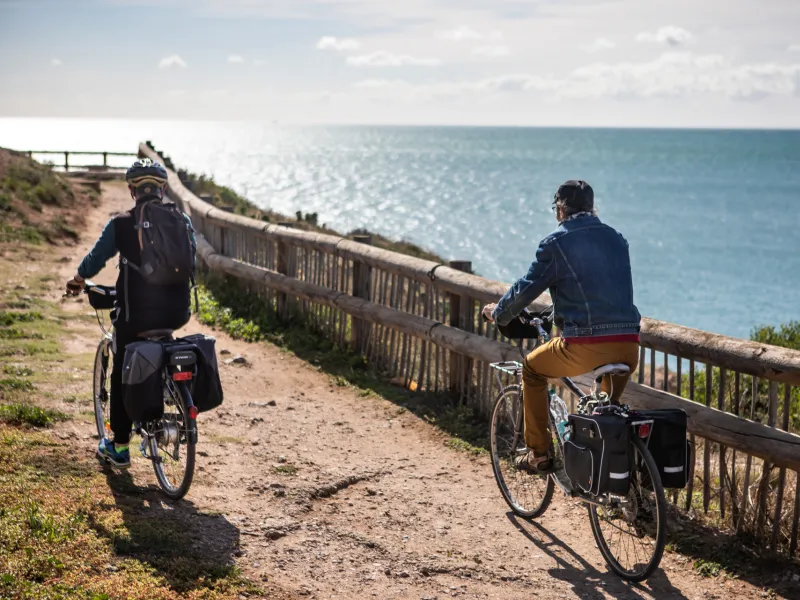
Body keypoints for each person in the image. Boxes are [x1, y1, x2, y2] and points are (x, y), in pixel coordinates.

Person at [482, 180, 640, 473]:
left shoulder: (555, 243)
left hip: (585, 346)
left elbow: (525, 289)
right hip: (629, 344)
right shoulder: (617, 239)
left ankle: (538, 454)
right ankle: (611, 479)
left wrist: (499, 313)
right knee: (604, 416)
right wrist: (558, 312)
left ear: (560, 209)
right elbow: (596, 289)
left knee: (531, 368)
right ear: (592, 208)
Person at [65, 159, 196, 468]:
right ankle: (169, 398)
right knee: (164, 346)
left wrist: (79, 279)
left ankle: (120, 447)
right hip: (177, 312)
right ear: (163, 189)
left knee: (121, 371)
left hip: (134, 317)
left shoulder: (122, 223)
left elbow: (96, 258)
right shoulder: (183, 221)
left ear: (131, 190)